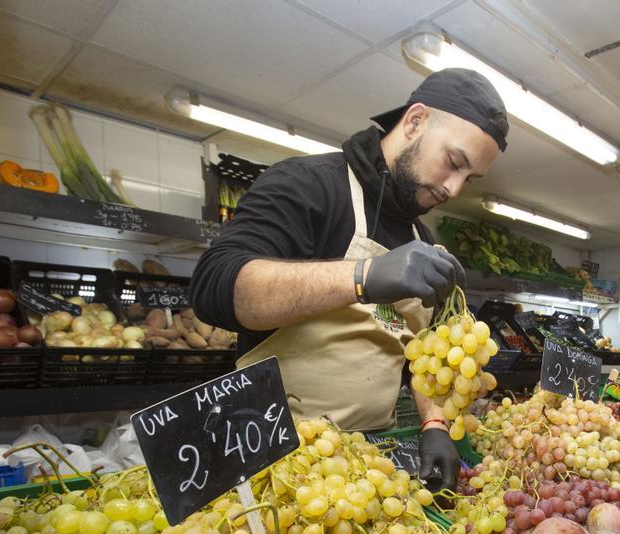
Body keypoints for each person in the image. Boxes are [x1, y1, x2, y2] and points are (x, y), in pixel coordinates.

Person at [193, 69, 508, 491]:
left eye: (468, 179)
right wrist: (364, 276)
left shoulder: (423, 242)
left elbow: (427, 353)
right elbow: (215, 286)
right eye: (454, 163)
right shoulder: (307, 185)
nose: (453, 189)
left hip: (368, 461)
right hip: (273, 455)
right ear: (414, 122)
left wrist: (433, 420)